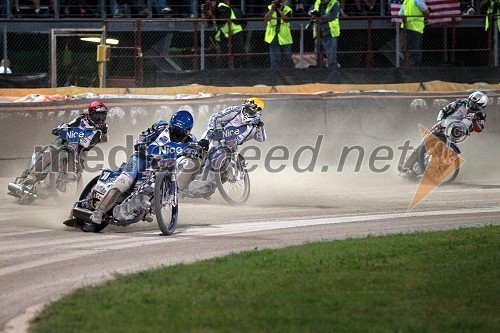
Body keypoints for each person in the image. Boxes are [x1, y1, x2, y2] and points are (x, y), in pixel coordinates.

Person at [90, 110, 196, 224]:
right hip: (142, 159)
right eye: (174, 129)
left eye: (180, 132)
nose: (176, 134)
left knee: (166, 184)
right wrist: (142, 145)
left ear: (188, 131)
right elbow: (141, 137)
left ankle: (150, 209)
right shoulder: (161, 127)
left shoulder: (191, 141)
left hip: (163, 168)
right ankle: (99, 212)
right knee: (124, 181)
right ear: (170, 125)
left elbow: (197, 151)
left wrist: (200, 150)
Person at [22, 100, 109, 187]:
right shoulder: (81, 120)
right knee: (50, 151)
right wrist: (59, 128)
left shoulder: (103, 127)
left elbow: (104, 140)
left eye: (103, 116)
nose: (100, 119)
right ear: (90, 114)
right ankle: (33, 174)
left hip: (81, 151)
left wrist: (104, 132)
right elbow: (68, 125)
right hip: (66, 142)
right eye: (97, 116)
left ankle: (56, 184)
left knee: (79, 169)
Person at [188, 97, 267, 192]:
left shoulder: (255, 126)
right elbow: (215, 117)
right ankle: (188, 173)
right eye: (247, 109)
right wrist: (212, 130)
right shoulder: (235, 111)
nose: (248, 113)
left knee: (224, 172)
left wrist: (260, 126)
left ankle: (208, 187)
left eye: (251, 112)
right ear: (243, 107)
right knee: (201, 154)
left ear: (257, 114)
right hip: (215, 137)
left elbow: (261, 139)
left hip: (231, 146)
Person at [399, 91, 488, 173]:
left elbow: (479, 129)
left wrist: (475, 120)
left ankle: (436, 170)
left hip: (455, 135)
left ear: (481, 107)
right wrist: (440, 120)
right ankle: (406, 167)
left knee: (448, 154)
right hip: (442, 127)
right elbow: (444, 110)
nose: (472, 106)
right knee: (422, 145)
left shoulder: (480, 116)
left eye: (476, 105)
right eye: (471, 102)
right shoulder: (459, 104)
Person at [201, 0, 246, 68]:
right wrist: (203, 12)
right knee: (222, 58)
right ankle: (224, 74)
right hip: (223, 36)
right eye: (208, 3)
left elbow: (221, 22)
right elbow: (206, 25)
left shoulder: (223, 7)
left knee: (240, 55)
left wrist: (211, 15)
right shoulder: (210, 10)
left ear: (215, 1)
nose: (210, 4)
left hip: (234, 32)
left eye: (211, 2)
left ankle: (246, 72)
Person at [309, 0, 341, 69]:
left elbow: (332, 15)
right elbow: (310, 10)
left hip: (329, 32)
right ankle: (320, 71)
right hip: (318, 32)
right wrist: (313, 13)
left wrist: (320, 18)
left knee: (331, 55)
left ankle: (333, 72)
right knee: (317, 54)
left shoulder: (334, 3)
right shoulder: (318, 2)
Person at [398, 0, 431, 67]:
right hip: (415, 28)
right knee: (415, 50)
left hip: (406, 27)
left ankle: (410, 67)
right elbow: (427, 12)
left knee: (409, 49)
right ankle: (414, 69)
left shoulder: (406, 1)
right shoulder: (418, 0)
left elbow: (400, 13)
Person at [264, 0, 295, 69]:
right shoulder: (269, 8)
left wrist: (279, 10)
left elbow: (287, 19)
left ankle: (290, 71)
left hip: (285, 36)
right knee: (275, 57)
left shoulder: (288, 9)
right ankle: (275, 72)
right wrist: (272, 10)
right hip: (273, 35)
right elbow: (266, 19)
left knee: (288, 56)